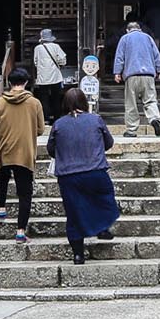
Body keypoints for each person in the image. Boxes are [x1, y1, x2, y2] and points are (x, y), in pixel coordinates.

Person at [46, 87, 120, 265]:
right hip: (95, 170)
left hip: (69, 175)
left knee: (74, 212)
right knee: (103, 200)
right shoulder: (96, 120)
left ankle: (78, 254)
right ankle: (102, 227)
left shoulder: (58, 124)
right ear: (84, 102)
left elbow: (51, 149)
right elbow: (108, 142)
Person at [0, 67, 43, 242]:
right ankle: (20, 231)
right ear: (26, 82)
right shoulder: (34, 103)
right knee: (25, 193)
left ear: (9, 83)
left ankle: (2, 207)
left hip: (4, 149)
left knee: (2, 178)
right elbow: (40, 129)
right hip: (25, 151)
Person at [112, 20, 160, 137]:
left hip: (132, 75)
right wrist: (159, 69)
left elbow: (120, 56)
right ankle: (154, 119)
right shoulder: (148, 38)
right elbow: (156, 54)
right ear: (140, 29)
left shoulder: (125, 38)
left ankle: (131, 130)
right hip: (148, 75)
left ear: (127, 30)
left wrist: (117, 72)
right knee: (150, 100)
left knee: (131, 103)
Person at [32, 28, 69, 120]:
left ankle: (45, 118)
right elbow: (62, 60)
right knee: (56, 98)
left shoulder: (37, 48)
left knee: (44, 99)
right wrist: (59, 64)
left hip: (42, 78)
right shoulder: (56, 46)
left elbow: (35, 62)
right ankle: (56, 117)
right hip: (55, 76)